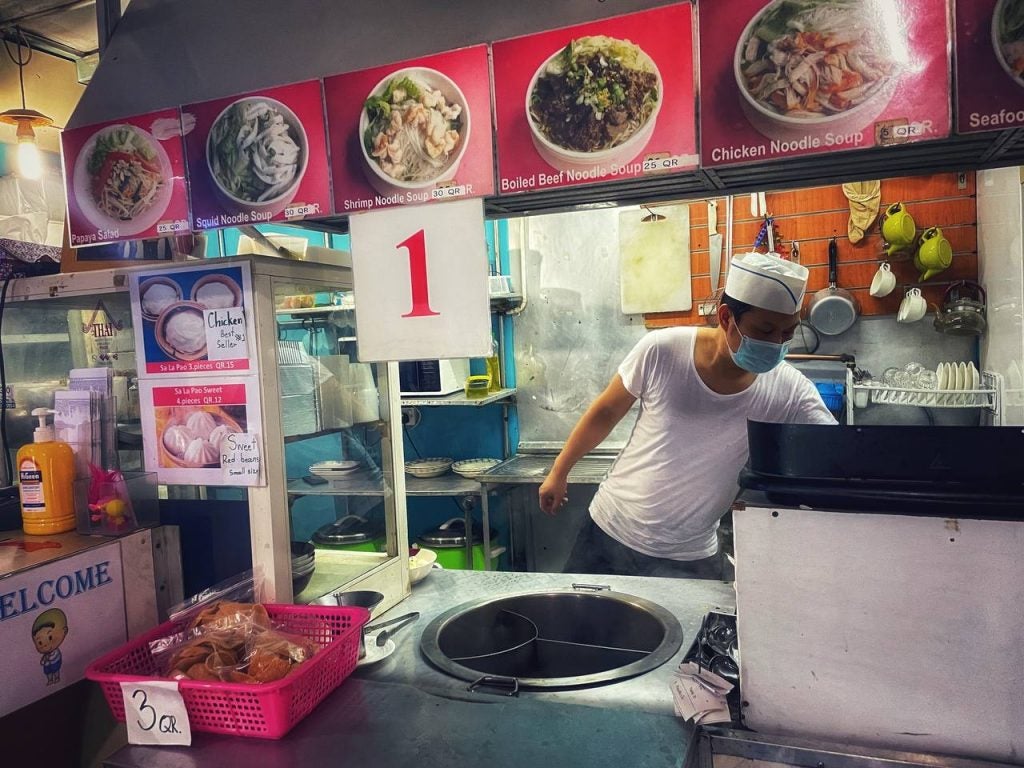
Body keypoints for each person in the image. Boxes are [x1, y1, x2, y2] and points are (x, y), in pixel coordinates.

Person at [538, 252, 837, 579]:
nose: (776, 344)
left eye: (787, 334)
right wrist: (559, 470)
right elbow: (606, 412)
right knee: (577, 630)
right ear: (726, 317)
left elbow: (835, 452)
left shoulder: (789, 389)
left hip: (690, 555)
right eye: (765, 330)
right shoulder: (662, 350)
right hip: (610, 532)